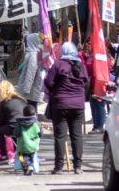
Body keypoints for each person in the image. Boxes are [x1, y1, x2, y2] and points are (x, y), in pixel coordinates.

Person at [44, 42, 88, 175]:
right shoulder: (81, 65)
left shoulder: (58, 64)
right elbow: (87, 83)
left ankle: (59, 167)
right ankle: (78, 166)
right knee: (77, 135)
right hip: (78, 105)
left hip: (61, 105)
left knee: (60, 136)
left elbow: (48, 82)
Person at [0, 80, 27, 164]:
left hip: (14, 127)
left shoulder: (3, 103)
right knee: (16, 136)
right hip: (26, 125)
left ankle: (4, 155)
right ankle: (22, 159)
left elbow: (0, 122)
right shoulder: (22, 100)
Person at [84, 43, 110, 134]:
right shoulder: (92, 56)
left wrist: (89, 60)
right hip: (92, 84)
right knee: (93, 106)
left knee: (99, 106)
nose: (89, 46)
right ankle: (95, 125)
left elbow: (90, 68)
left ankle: (100, 126)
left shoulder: (103, 57)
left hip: (100, 84)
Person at [17, 33, 45, 109]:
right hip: (32, 90)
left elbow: (30, 73)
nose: (25, 43)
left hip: (30, 91)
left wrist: (26, 89)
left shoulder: (33, 55)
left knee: (30, 109)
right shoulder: (35, 53)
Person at [13, 105, 42, 176]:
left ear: (24, 114)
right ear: (35, 113)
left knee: (21, 157)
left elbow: (16, 134)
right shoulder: (37, 123)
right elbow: (40, 134)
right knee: (31, 157)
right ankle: (30, 168)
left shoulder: (19, 123)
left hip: (22, 145)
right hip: (33, 145)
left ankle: (27, 169)